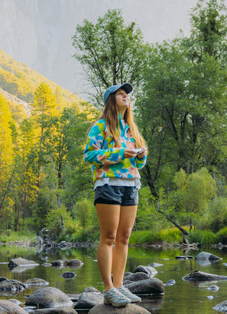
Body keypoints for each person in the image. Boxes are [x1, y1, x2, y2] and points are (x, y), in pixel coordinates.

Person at [83, 83, 147, 307]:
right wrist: (119, 153)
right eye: (120, 94)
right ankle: (108, 288)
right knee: (108, 238)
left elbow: (140, 162)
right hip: (108, 184)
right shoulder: (99, 127)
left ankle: (119, 285)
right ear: (111, 100)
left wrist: (141, 155)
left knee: (124, 238)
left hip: (131, 185)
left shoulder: (131, 129)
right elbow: (89, 155)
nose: (125, 96)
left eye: (127, 94)